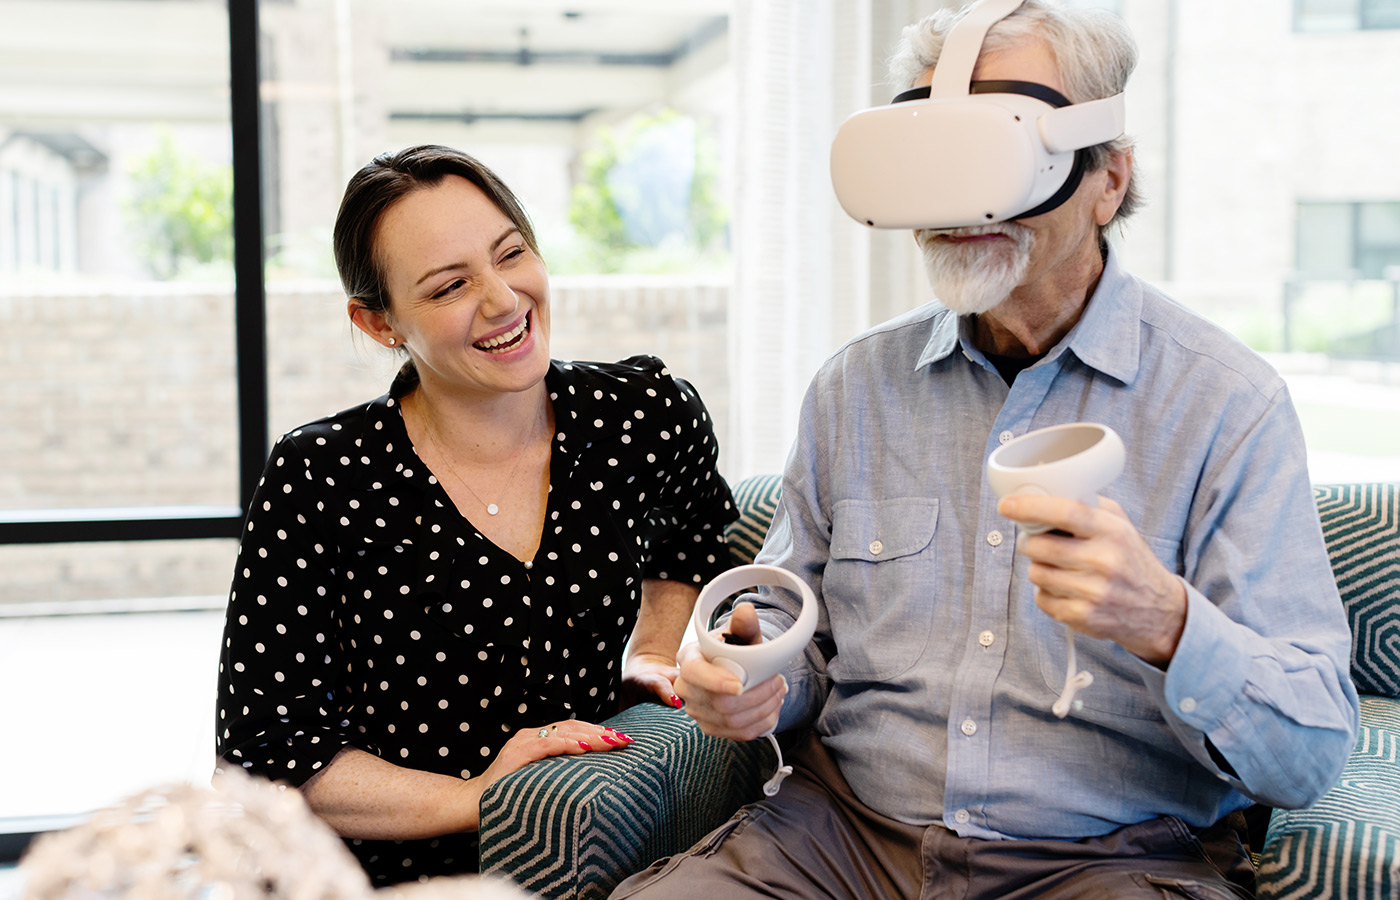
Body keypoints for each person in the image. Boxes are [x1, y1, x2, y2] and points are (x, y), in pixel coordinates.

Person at [613, 2, 1359, 899]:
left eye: (994, 157)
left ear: (1106, 180)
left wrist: (1166, 623)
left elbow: (1311, 749)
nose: (962, 206)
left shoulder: (1228, 405)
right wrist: (747, 668)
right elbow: (792, 637)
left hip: (1106, 865)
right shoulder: (855, 388)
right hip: (840, 839)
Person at [214, 144, 736, 886]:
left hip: (603, 859)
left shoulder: (644, 415)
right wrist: (486, 796)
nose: (502, 300)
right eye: (450, 285)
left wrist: (647, 654)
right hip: (384, 877)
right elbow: (265, 758)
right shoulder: (322, 476)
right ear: (378, 322)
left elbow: (690, 540)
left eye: (511, 253)